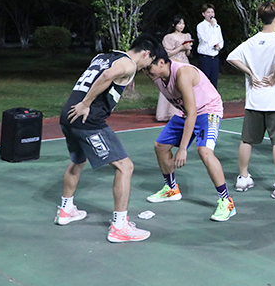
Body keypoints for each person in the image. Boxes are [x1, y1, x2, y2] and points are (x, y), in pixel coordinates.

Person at [55, 34, 159, 243]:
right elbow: (107, 76)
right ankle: (119, 227)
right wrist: (86, 103)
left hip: (68, 115)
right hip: (87, 119)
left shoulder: (102, 56)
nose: (147, 67)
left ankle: (66, 210)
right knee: (125, 167)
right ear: (146, 53)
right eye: (150, 61)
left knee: (78, 160)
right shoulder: (129, 64)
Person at [143, 45, 235, 222]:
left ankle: (226, 201)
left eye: (149, 68)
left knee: (204, 151)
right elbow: (188, 111)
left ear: (161, 62)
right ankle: (171, 189)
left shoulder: (182, 74)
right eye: (144, 69)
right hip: (186, 111)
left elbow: (193, 113)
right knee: (160, 146)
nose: (146, 72)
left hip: (207, 110)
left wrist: (183, 148)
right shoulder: (158, 77)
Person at [226, 1, 275, 199]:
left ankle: (243, 177)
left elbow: (231, 57)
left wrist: (250, 73)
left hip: (254, 99)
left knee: (247, 140)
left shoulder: (252, 41)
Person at [156, 15, 193, 121]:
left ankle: (185, 111)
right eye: (179, 23)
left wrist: (187, 48)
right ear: (174, 25)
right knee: (172, 85)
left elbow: (188, 53)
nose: (182, 26)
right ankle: (169, 113)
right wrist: (181, 47)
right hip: (173, 63)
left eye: (183, 23)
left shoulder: (187, 36)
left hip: (184, 63)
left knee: (185, 86)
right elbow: (167, 53)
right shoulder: (169, 37)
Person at [196, 3, 224, 88]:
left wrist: (219, 46)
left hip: (215, 57)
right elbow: (205, 39)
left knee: (214, 82)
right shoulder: (201, 26)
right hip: (205, 58)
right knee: (203, 82)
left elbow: (220, 39)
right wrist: (211, 26)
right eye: (208, 12)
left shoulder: (217, 26)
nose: (211, 14)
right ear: (203, 14)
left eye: (212, 12)